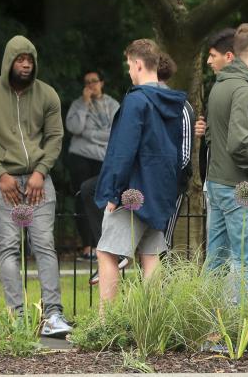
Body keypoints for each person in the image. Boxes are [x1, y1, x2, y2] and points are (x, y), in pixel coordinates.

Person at [0, 36, 71, 337]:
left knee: (44, 246)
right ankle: (18, 317)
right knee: (10, 248)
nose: (26, 64)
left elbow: (55, 137)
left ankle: (52, 315)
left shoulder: (47, 94)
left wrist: (41, 172)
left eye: (30, 59)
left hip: (39, 180)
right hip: (5, 182)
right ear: (8, 61)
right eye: (19, 59)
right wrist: (0, 174)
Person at [95, 40, 187, 302]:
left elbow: (123, 151)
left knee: (107, 253)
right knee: (150, 257)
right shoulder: (173, 103)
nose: (128, 71)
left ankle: (106, 325)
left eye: (129, 65)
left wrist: (113, 193)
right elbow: (178, 152)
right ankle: (151, 323)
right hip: (160, 192)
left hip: (132, 192)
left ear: (137, 64)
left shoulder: (136, 101)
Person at [204, 23, 248, 296]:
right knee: (247, 261)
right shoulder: (243, 90)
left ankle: (205, 327)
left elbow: (211, 137)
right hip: (238, 186)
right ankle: (246, 331)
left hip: (218, 183)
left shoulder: (220, 85)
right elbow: (239, 144)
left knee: (216, 261)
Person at [66, 69, 120, 260]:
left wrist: (90, 135)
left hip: (103, 158)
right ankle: (87, 245)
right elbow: (75, 128)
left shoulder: (113, 105)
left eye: (94, 81)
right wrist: (85, 105)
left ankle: (103, 244)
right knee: (82, 198)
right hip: (80, 157)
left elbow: (115, 131)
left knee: (103, 199)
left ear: (102, 83)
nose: (91, 85)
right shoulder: (78, 105)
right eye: (87, 82)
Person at [199, 28, 236, 185]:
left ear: (228, 56)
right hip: (215, 179)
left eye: (213, 56)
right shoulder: (218, 87)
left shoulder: (244, 90)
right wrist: (206, 129)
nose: (208, 61)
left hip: (231, 183)